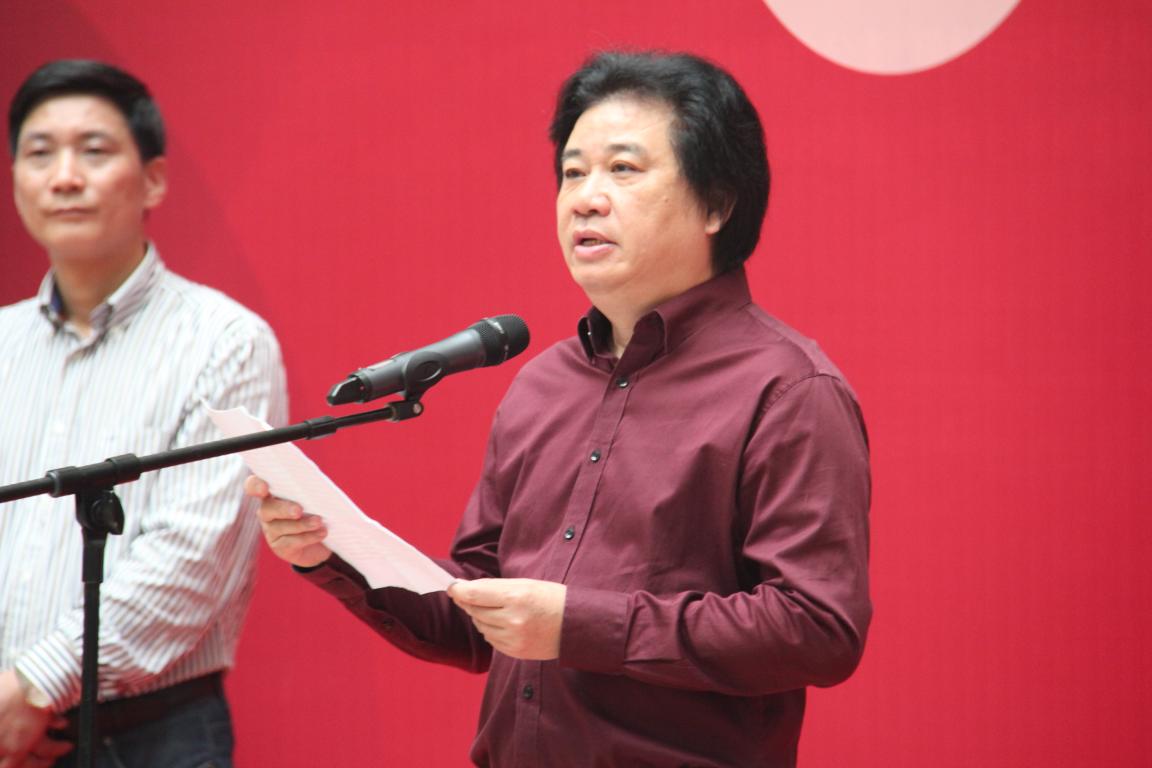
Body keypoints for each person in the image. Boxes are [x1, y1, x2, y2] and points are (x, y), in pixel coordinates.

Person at [251, 50, 870, 767]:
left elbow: (817, 629)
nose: (585, 198)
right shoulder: (541, 385)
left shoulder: (788, 389)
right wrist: (332, 553)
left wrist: (578, 626)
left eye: (623, 169)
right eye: (573, 173)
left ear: (717, 204)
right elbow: (477, 616)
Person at [0, 60, 288, 768]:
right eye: (39, 153)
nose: (64, 177)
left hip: (150, 738)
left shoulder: (225, 342)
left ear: (153, 180)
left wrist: (32, 689)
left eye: (94, 151)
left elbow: (192, 560)